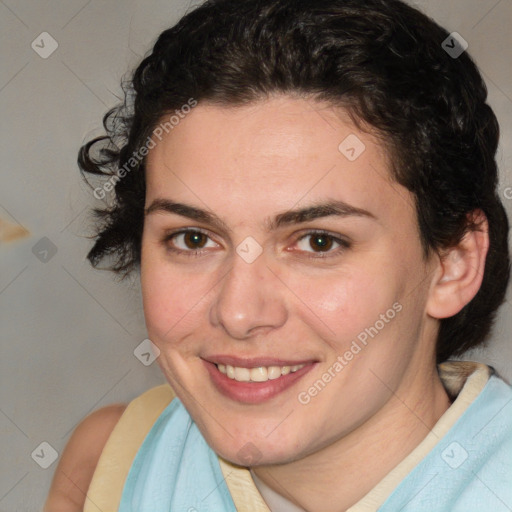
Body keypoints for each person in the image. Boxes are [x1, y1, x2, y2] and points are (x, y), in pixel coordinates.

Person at [44, 0, 512, 510]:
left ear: (453, 263)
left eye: (318, 242)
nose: (238, 313)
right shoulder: (111, 463)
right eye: (194, 239)